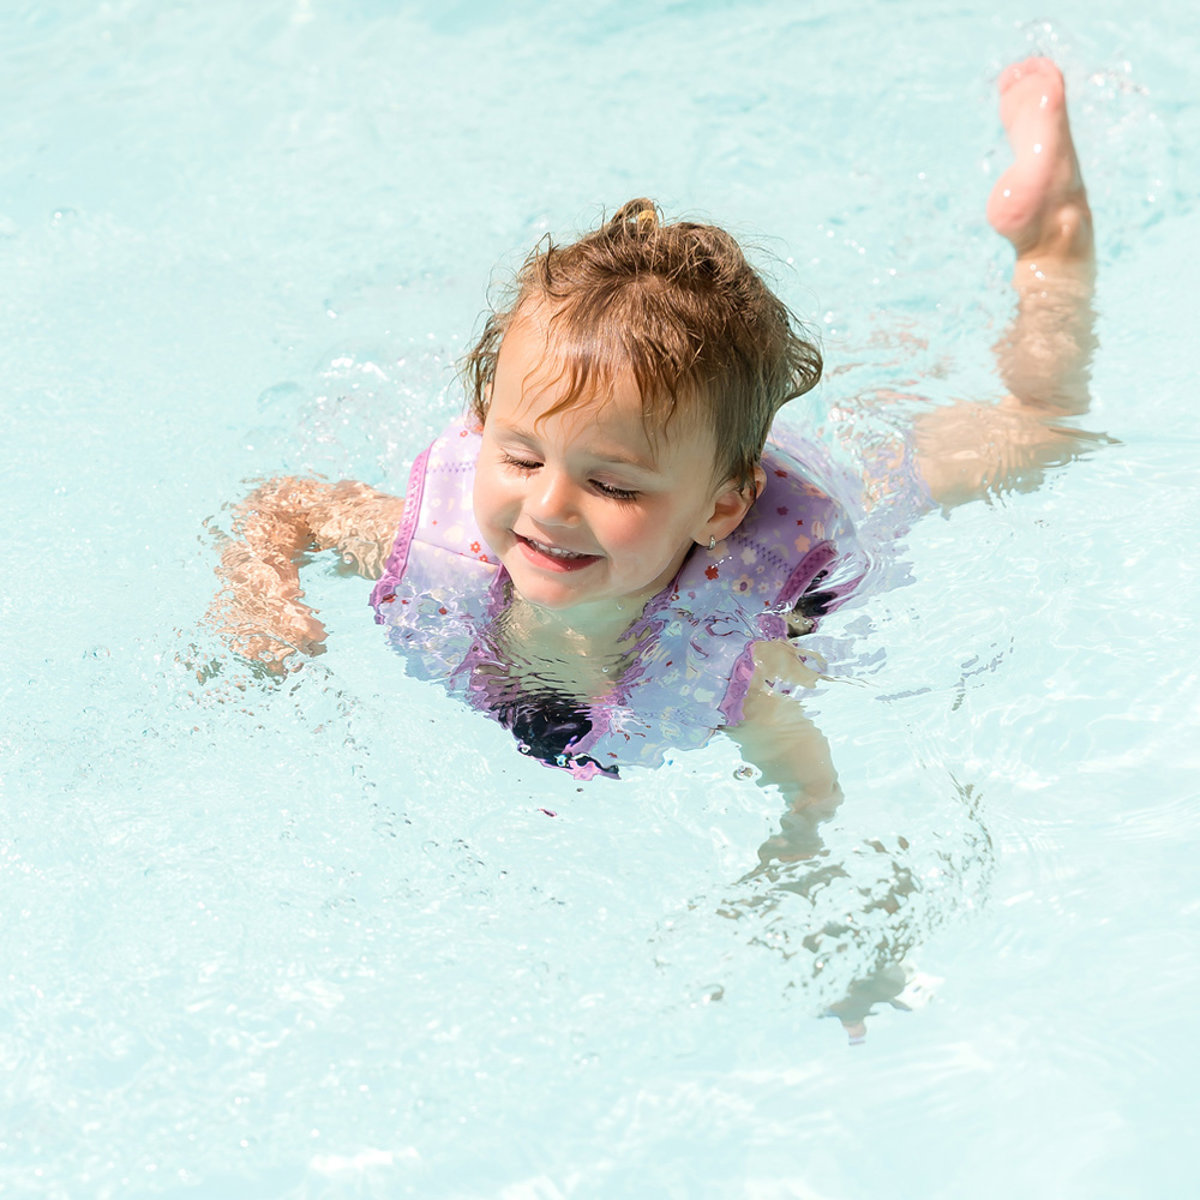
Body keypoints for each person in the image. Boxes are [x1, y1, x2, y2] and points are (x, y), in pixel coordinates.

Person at [209, 58, 1097, 812]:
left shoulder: (740, 652)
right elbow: (284, 506)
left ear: (721, 508)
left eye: (612, 486)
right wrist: (258, 594)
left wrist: (798, 851)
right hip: (695, 449)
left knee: (1038, 427)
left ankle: (1052, 240)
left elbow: (808, 782)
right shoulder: (441, 546)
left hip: (851, 484)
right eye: (520, 457)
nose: (549, 505)